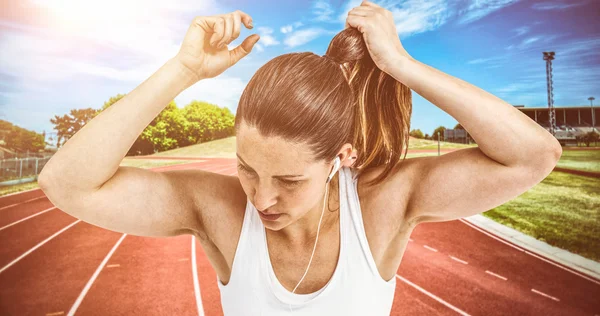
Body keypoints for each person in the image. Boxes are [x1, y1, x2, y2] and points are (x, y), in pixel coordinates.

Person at [38, 1, 562, 315]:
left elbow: (533, 155)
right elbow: (67, 184)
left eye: (289, 179)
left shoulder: (382, 206)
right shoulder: (219, 211)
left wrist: (402, 64)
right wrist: (183, 71)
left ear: (342, 156)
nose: (262, 198)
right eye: (247, 168)